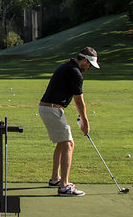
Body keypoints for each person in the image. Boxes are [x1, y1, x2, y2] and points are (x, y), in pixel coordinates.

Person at [38, 46, 99, 196]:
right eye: (89, 64)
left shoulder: (67, 66)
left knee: (62, 143)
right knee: (69, 144)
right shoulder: (75, 72)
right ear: (84, 60)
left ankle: (55, 179)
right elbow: (79, 101)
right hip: (52, 109)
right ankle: (64, 186)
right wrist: (85, 122)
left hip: (50, 108)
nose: (89, 67)